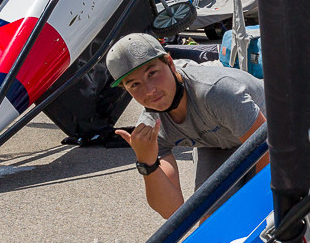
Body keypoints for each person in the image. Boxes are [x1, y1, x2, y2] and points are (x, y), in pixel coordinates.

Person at [105, 32, 265, 217]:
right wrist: (147, 163)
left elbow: (268, 151)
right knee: (210, 220)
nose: (149, 91)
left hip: (275, 130)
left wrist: (259, 208)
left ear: (170, 63)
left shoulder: (215, 92)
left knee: (269, 212)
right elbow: (172, 210)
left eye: (152, 73)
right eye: (134, 85)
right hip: (219, 143)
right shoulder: (151, 127)